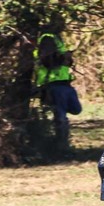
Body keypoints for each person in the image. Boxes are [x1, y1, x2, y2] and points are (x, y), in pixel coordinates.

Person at [33, 19, 82, 147]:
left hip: (64, 83)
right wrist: (63, 58)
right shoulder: (47, 38)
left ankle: (61, 139)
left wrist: (67, 58)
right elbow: (47, 61)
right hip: (53, 83)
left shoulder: (56, 38)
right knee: (61, 116)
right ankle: (61, 144)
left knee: (76, 109)